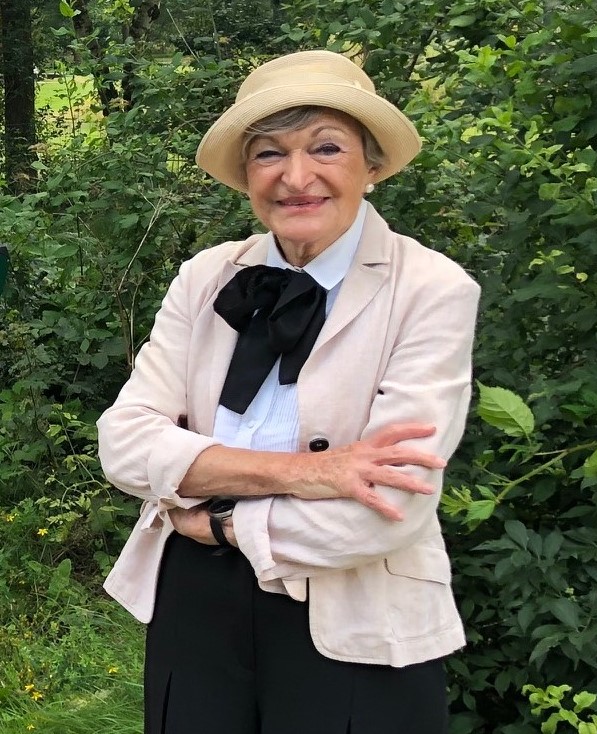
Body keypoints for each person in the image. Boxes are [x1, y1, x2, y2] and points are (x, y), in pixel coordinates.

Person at [97, 49, 480, 734]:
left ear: (371, 164)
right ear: (247, 174)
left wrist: (219, 521)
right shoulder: (206, 276)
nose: (296, 177)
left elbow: (386, 507)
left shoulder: (432, 289)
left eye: (326, 147)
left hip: (357, 608)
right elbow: (124, 445)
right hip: (194, 602)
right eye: (269, 153)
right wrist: (308, 475)